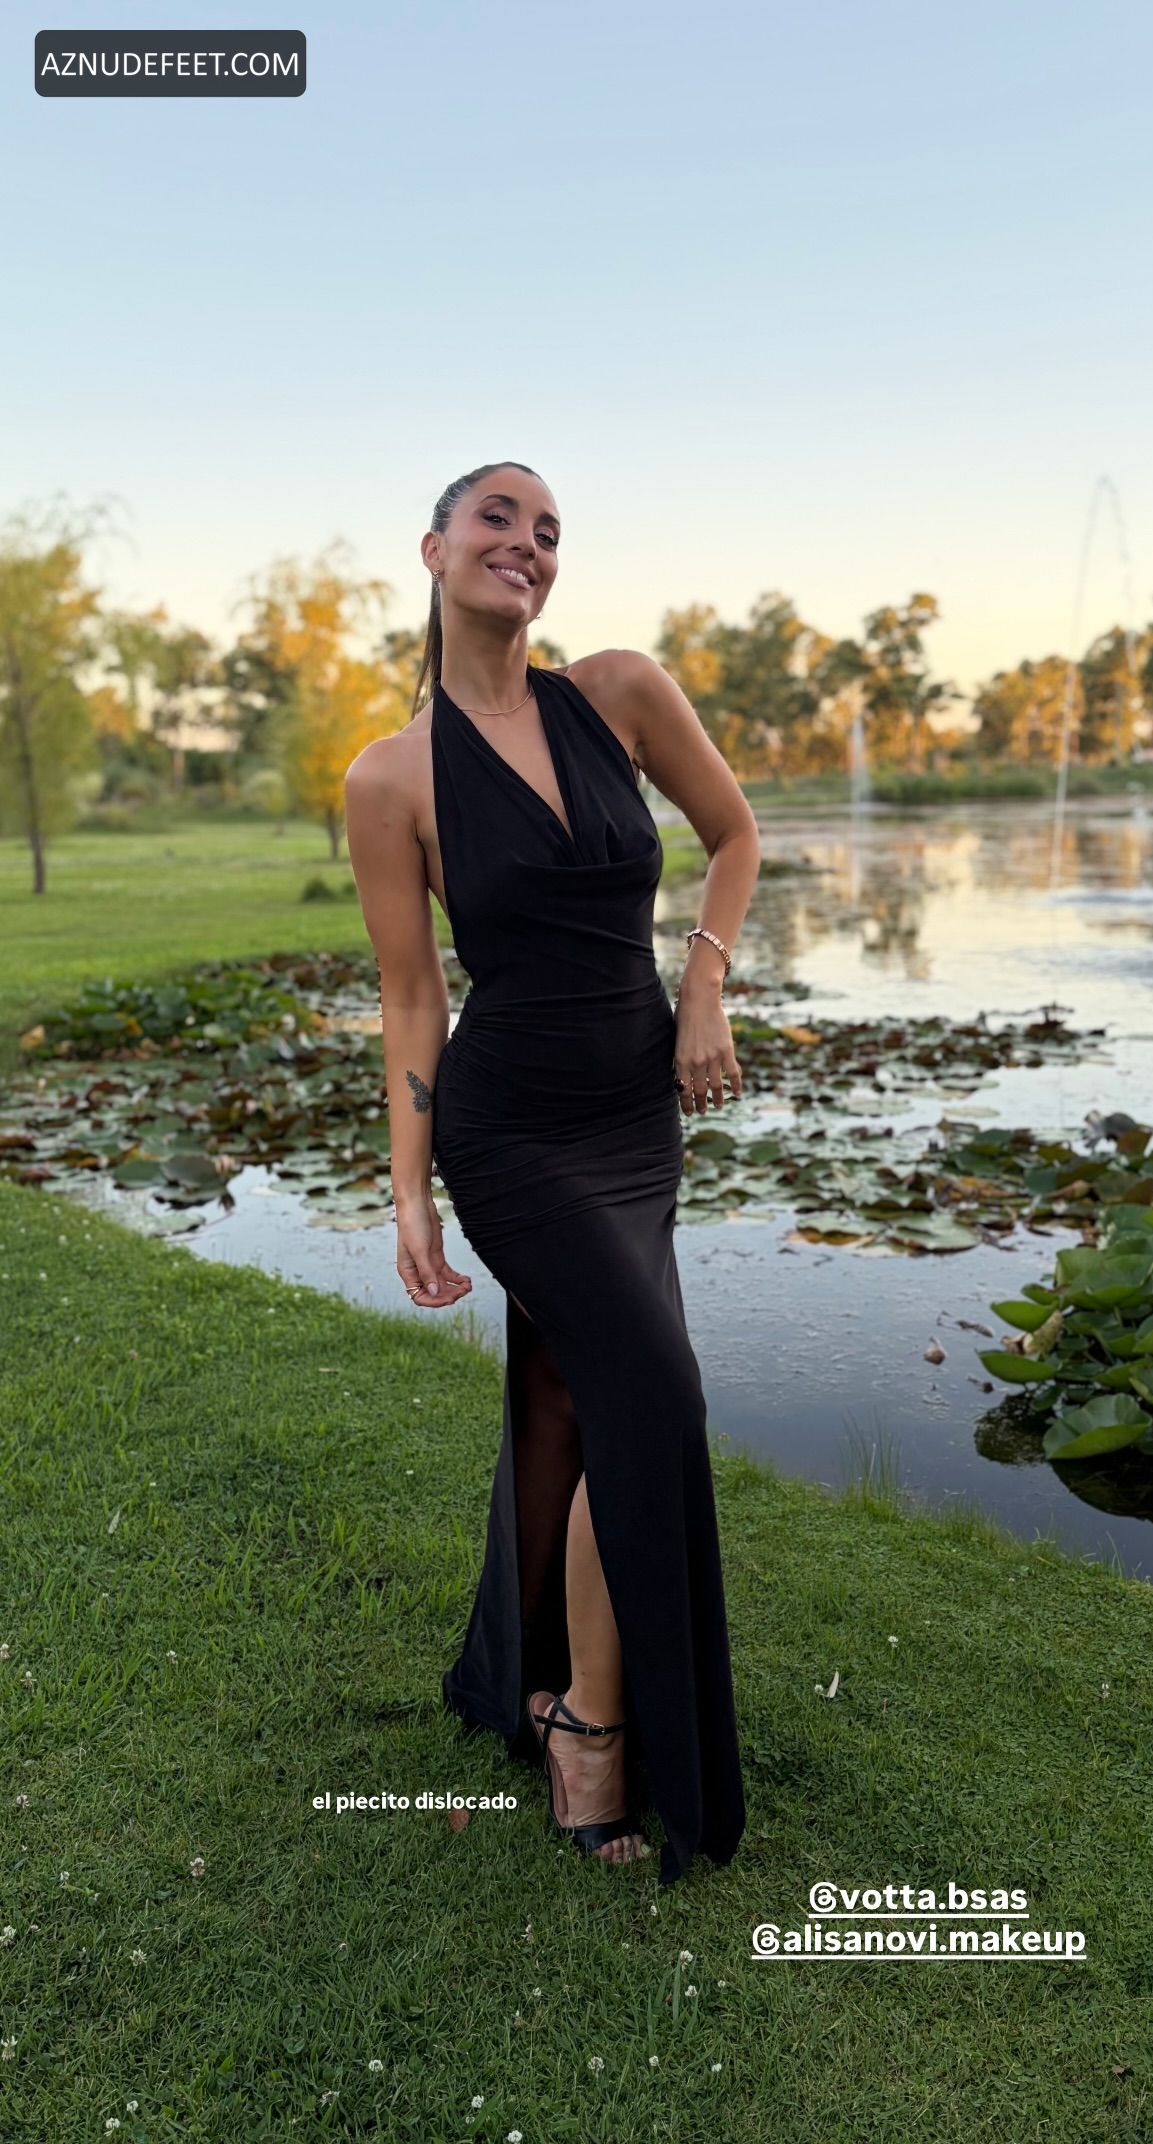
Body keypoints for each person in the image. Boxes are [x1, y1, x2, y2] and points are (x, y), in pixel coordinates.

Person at [344, 460, 760, 1885]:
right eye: (497, 519)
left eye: (548, 531)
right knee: (652, 1391)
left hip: (635, 1120)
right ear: (434, 550)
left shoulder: (619, 692)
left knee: (581, 1398)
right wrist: (409, 1192)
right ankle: (591, 1721)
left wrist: (701, 986)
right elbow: (413, 998)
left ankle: (528, 1676)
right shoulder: (390, 777)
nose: (526, 543)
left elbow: (734, 836)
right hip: (512, 1130)